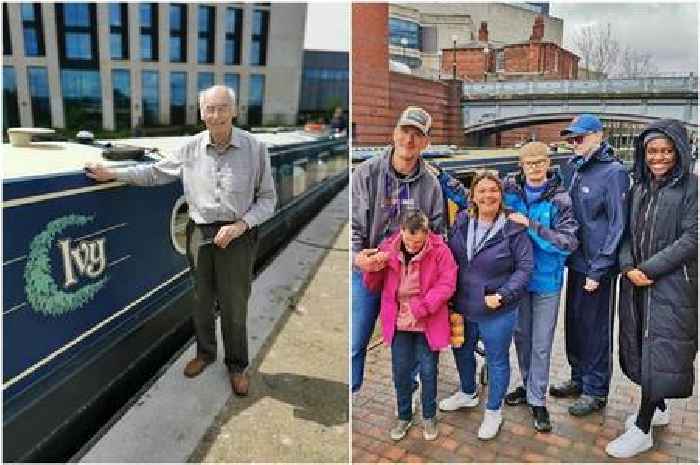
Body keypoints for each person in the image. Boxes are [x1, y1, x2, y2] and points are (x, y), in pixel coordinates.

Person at [85, 85, 276, 396]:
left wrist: (242, 224)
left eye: (222, 108)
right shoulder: (190, 149)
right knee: (201, 299)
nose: (215, 115)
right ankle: (204, 353)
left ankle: (237, 365)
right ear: (201, 113)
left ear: (235, 110)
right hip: (199, 232)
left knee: (234, 303)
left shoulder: (256, 149)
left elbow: (268, 200)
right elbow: (154, 173)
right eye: (209, 109)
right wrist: (115, 174)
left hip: (238, 236)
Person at [606, 119, 698, 458]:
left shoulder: (692, 188)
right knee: (644, 346)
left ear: (679, 153)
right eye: (652, 151)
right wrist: (629, 266)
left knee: (659, 348)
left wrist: (649, 269)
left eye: (666, 151)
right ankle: (657, 408)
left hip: (672, 285)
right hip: (638, 282)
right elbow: (627, 233)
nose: (659, 158)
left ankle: (643, 428)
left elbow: (693, 238)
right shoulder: (640, 188)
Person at [351, 106, 444, 396]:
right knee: (356, 339)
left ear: (426, 143)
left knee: (412, 340)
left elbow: (438, 234)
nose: (409, 140)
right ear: (394, 134)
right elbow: (354, 223)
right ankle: (351, 392)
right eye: (405, 131)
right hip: (369, 272)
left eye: (418, 135)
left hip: (410, 278)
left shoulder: (431, 184)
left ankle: (410, 390)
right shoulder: (366, 173)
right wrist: (358, 256)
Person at [439, 172, 533, 440]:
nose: (488, 195)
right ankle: (468, 392)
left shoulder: (513, 228)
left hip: (496, 309)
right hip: (462, 303)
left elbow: (525, 269)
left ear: (501, 195)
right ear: (473, 196)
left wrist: (503, 294)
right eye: (482, 191)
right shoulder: (462, 221)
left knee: (497, 359)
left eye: (493, 190)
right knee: (462, 350)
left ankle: (494, 411)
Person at [549, 114, 630, 416]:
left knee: (596, 329)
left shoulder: (614, 173)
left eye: (579, 137)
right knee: (575, 323)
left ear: (598, 135)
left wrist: (600, 268)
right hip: (578, 262)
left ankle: (596, 391)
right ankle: (578, 377)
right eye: (571, 138)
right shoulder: (578, 170)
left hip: (597, 266)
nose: (573, 143)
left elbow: (617, 225)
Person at [502, 142, 579, 432]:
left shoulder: (561, 198)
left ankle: (538, 399)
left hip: (547, 280)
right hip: (518, 280)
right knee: (521, 337)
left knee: (542, 343)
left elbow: (567, 242)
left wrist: (530, 225)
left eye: (539, 162)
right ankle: (526, 384)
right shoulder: (509, 190)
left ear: (548, 163)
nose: (534, 167)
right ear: (520, 165)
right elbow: (478, 199)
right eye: (528, 162)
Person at [363, 210, 457, 442]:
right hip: (399, 323)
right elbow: (372, 286)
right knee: (400, 372)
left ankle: (429, 415)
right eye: (408, 240)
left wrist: (423, 307)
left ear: (427, 234)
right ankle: (404, 415)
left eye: (418, 242)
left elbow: (447, 284)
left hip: (427, 321)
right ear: (401, 232)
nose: (413, 246)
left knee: (428, 371)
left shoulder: (440, 251)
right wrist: (374, 266)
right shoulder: (388, 248)